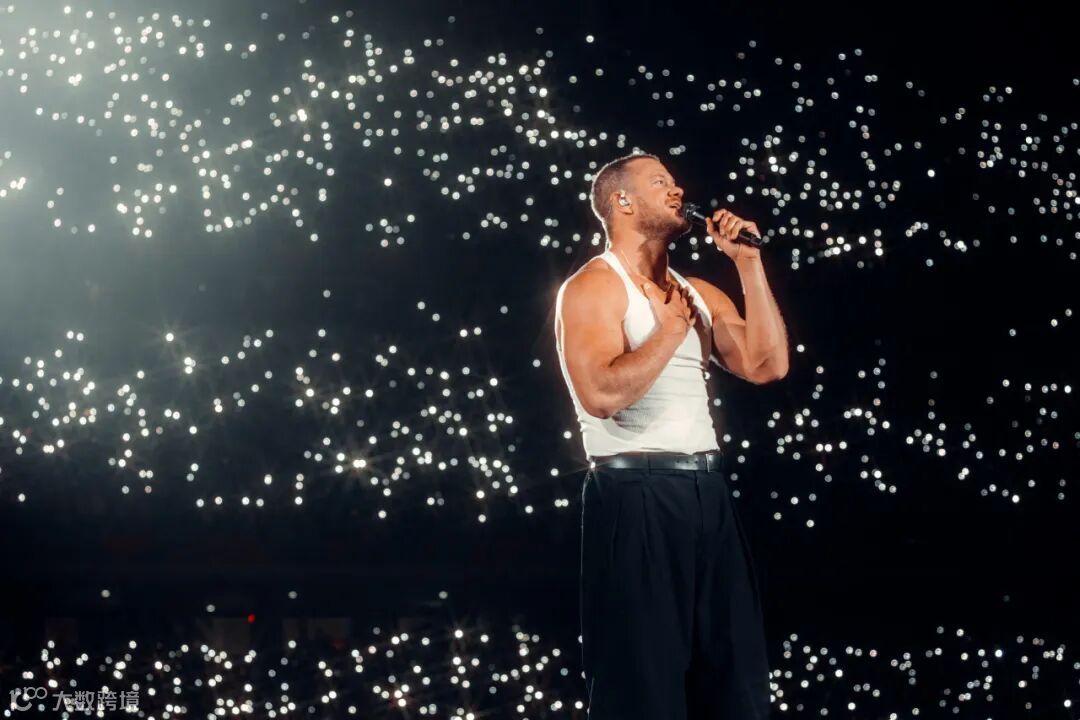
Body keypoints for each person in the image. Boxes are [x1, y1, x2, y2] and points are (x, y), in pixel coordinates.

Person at [553, 151, 789, 719]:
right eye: (660, 182)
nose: (677, 190)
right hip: (635, 493)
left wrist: (747, 264)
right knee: (642, 685)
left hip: (708, 492)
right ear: (622, 201)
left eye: (676, 181)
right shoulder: (593, 286)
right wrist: (669, 333)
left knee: (735, 682)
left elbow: (768, 365)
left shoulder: (697, 292)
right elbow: (600, 394)